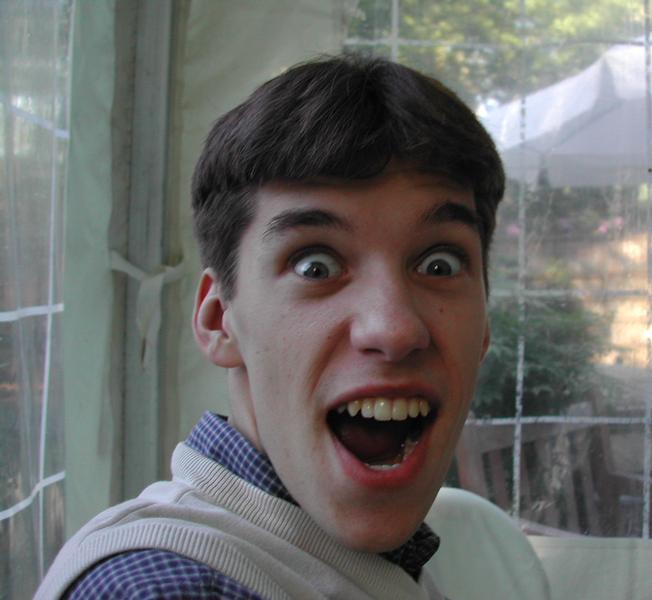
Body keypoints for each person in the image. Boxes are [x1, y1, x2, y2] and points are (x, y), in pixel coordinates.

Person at [37, 54, 505, 599]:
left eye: (439, 265)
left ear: (484, 331)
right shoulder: (166, 588)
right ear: (219, 320)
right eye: (316, 266)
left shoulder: (419, 562)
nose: (394, 328)